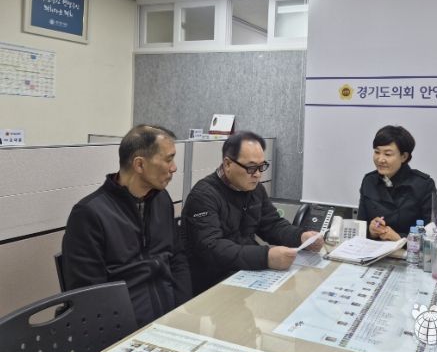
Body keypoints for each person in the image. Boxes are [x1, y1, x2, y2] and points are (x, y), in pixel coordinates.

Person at [62, 125, 192, 327]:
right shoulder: (89, 214)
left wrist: (183, 310)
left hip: (169, 320)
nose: (174, 167)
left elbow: (177, 258)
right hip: (124, 329)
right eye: (168, 159)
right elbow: (90, 296)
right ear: (139, 165)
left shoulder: (162, 200)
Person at [182, 131, 323, 295]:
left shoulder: (255, 189)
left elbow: (272, 224)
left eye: (261, 166)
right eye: (251, 167)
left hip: (244, 275)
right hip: (211, 284)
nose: (257, 174)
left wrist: (301, 237)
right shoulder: (203, 196)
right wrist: (266, 257)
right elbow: (212, 248)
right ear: (227, 164)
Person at [357, 125, 437, 241]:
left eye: (387, 154)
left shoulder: (423, 185)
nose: (380, 159)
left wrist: (400, 238)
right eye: (377, 152)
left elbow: (434, 232)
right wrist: (371, 231)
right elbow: (361, 226)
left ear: (404, 157)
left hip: (409, 250)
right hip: (374, 249)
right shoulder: (369, 181)